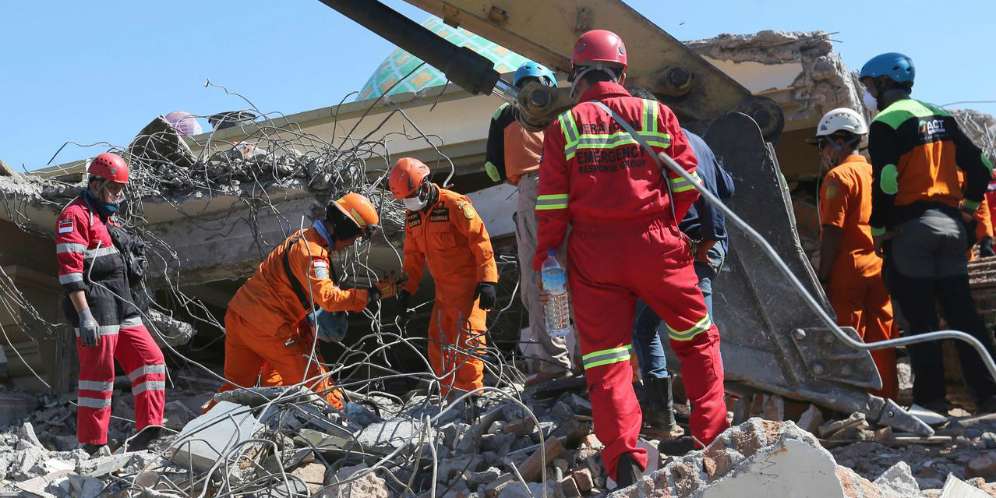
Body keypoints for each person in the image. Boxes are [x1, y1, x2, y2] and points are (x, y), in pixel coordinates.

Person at [534, 30, 727, 486]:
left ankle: (624, 458)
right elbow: (688, 182)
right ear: (621, 72)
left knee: (607, 358)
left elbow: (552, 206)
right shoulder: (656, 114)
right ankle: (713, 439)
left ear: (577, 76)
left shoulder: (564, 127)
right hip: (656, 243)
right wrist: (664, 224)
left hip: (593, 255)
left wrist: (548, 256)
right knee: (697, 337)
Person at [861, 52, 996, 413]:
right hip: (951, 227)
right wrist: (968, 208)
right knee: (962, 315)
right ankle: (988, 393)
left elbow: (887, 181)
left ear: (884, 84)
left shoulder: (886, 123)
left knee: (921, 319)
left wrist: (879, 228)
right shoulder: (941, 116)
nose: (869, 94)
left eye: (870, 86)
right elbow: (982, 164)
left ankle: (931, 402)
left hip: (912, 230)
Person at [627, 86, 735, 434]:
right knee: (678, 330)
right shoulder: (697, 140)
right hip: (697, 247)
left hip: (690, 247)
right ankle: (685, 418)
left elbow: (705, 191)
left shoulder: (664, 142)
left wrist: (708, 237)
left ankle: (686, 420)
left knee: (691, 335)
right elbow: (727, 188)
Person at [216, 193, 383, 410]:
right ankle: (339, 419)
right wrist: (372, 294)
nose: (353, 243)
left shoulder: (302, 237)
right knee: (313, 385)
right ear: (346, 228)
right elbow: (328, 298)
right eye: (356, 236)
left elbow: (289, 291)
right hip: (269, 327)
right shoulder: (314, 254)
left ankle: (203, 427)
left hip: (240, 315)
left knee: (235, 391)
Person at [56, 152, 166, 454]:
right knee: (99, 374)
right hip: (95, 305)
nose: (118, 195)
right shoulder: (74, 216)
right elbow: (70, 272)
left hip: (122, 302)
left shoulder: (107, 218)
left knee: (151, 360)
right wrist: (85, 315)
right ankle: (93, 443)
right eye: (114, 189)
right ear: (96, 184)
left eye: (121, 189)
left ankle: (149, 430)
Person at [484, 61, 576, 383]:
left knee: (543, 276)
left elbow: (493, 169)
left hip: (534, 189)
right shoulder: (566, 105)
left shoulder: (506, 112)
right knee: (582, 271)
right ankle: (591, 358)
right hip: (574, 184)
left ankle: (554, 363)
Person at [389, 157, 499, 404]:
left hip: (469, 290)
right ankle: (448, 397)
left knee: (469, 343)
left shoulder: (455, 205)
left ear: (425, 184)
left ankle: (472, 398)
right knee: (438, 345)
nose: (410, 202)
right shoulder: (413, 216)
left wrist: (488, 281)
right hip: (443, 294)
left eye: (412, 195)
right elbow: (412, 257)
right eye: (405, 198)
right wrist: (406, 291)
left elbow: (480, 242)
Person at [811, 107, 898, 400]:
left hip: (848, 268)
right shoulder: (874, 172)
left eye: (823, 144)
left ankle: (853, 401)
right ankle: (886, 400)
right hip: (879, 264)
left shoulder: (838, 177)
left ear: (840, 140)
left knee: (849, 336)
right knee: (882, 335)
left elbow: (833, 230)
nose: (823, 152)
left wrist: (823, 275)